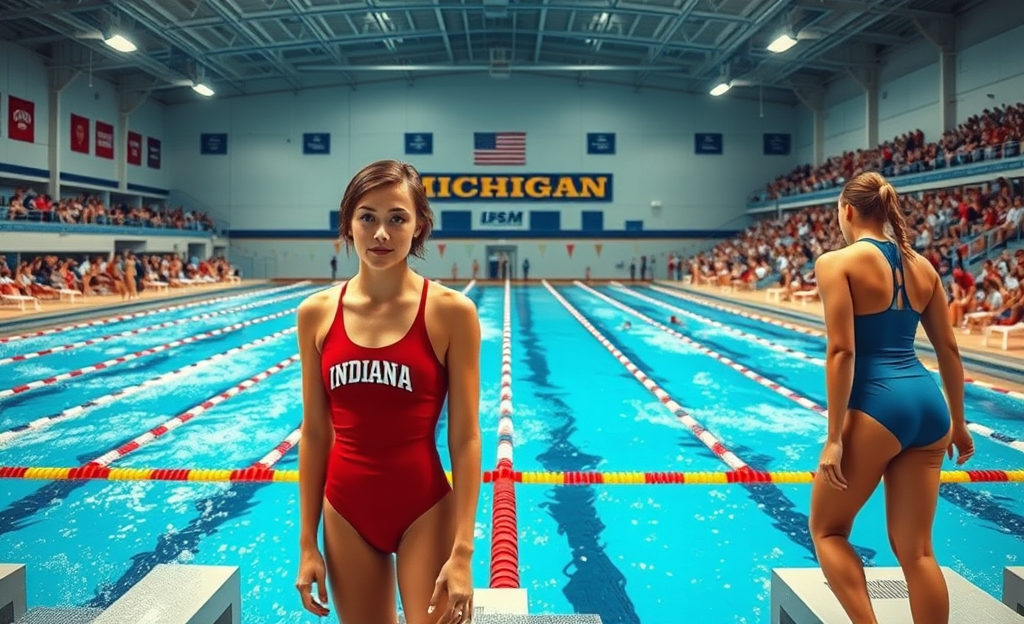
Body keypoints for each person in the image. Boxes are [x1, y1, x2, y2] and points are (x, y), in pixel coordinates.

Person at [295, 159, 482, 624]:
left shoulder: (450, 312)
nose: (381, 232)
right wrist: (306, 544)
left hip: (424, 508)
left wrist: (463, 552)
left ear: (419, 225)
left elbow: (466, 438)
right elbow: (315, 433)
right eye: (368, 217)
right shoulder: (315, 314)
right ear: (348, 223)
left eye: (397, 218)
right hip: (345, 511)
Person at [808, 171, 974, 624]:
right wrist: (958, 424)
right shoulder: (924, 268)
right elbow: (949, 350)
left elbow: (842, 351)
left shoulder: (836, 263)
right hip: (929, 407)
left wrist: (834, 438)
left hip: (878, 407)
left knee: (828, 531)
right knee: (918, 551)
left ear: (846, 211)